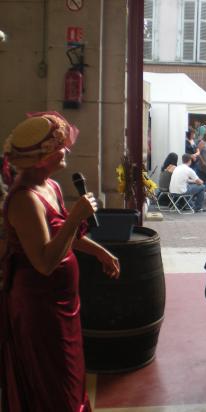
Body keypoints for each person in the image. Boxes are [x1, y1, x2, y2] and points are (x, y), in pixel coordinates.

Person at [0, 112, 120, 411]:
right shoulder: (24, 200)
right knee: (51, 384)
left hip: (63, 303)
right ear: (43, 157)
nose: (66, 150)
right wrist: (76, 217)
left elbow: (66, 236)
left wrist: (100, 252)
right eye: (59, 147)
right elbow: (44, 262)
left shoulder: (50, 186)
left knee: (69, 375)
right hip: (38, 307)